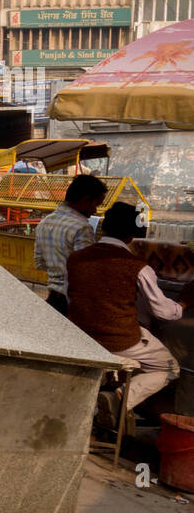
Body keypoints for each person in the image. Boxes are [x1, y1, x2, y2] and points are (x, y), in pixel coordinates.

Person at [67, 202, 189, 418]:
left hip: (81, 335)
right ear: (133, 234)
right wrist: (183, 304)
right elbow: (163, 312)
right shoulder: (137, 267)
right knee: (170, 368)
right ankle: (119, 398)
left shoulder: (76, 258)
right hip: (119, 340)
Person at [34, 173, 107, 314]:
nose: (94, 211)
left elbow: (39, 263)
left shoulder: (44, 223)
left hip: (53, 298)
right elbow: (86, 271)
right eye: (95, 204)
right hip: (73, 302)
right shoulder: (82, 227)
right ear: (86, 200)